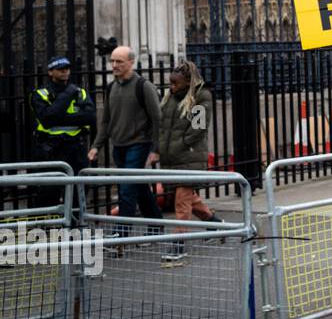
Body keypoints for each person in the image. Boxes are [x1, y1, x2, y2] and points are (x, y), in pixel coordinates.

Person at [89, 45, 163, 231]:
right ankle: (156, 225)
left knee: (127, 188)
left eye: (119, 61)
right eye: (112, 61)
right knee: (139, 187)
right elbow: (106, 120)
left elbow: (157, 119)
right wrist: (96, 146)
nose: (114, 65)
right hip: (118, 145)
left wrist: (155, 148)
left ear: (131, 62)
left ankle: (121, 234)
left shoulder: (144, 86)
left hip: (139, 144)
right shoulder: (111, 87)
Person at [158, 60, 216, 262]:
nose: (171, 87)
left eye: (175, 83)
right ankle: (214, 223)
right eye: (170, 83)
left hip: (190, 155)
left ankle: (179, 244)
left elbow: (198, 128)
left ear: (188, 82)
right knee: (189, 197)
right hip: (173, 155)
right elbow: (163, 125)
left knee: (182, 202)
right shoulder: (170, 98)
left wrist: (180, 143)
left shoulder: (201, 96)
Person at [29, 56, 96, 206]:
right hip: (52, 149)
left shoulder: (80, 92)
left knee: (79, 191)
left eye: (67, 68)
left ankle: (75, 228)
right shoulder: (40, 94)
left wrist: (60, 117)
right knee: (49, 193)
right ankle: (45, 228)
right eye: (60, 69)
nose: (65, 72)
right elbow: (47, 120)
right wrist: (68, 95)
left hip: (76, 149)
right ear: (50, 72)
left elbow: (90, 117)